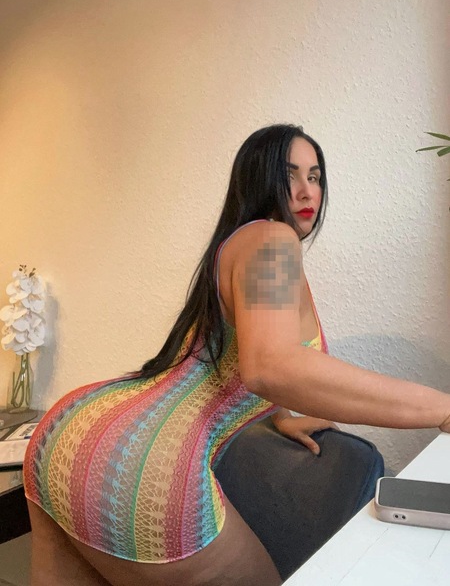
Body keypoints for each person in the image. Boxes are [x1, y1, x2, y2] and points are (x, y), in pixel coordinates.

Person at [23, 124, 450, 586]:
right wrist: (441, 408)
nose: (307, 190)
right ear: (258, 178)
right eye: (290, 175)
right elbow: (270, 365)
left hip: (70, 428)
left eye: (315, 176)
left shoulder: (237, 247)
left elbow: (241, 358)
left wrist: (279, 415)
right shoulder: (272, 240)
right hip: (145, 466)